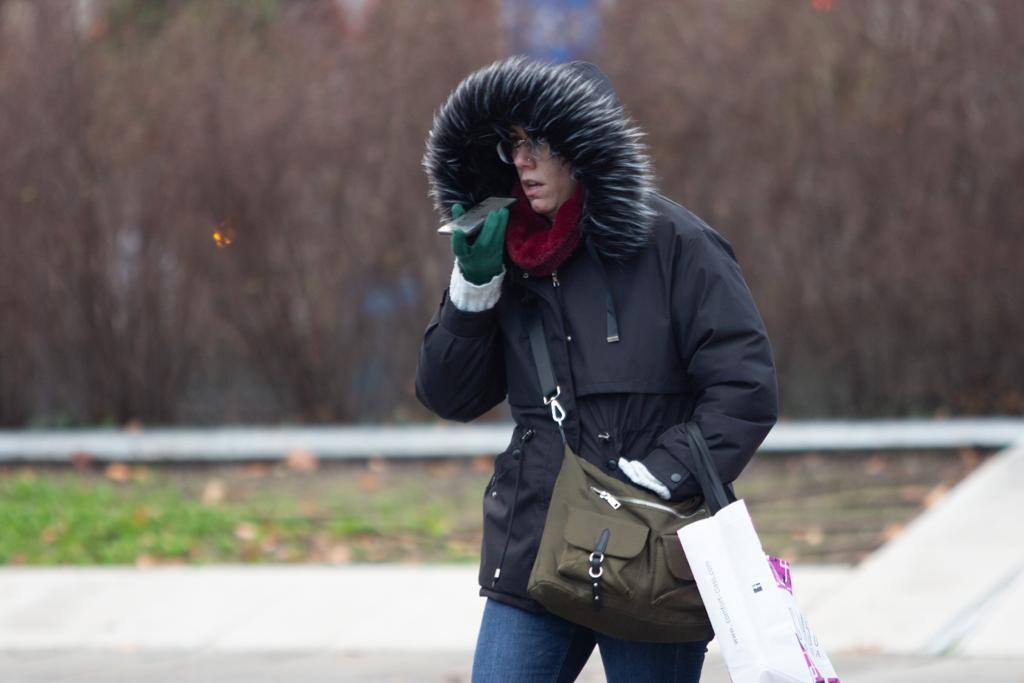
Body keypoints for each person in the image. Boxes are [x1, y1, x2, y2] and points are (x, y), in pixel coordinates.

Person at [417, 57, 778, 682]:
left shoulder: (678, 245)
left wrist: (667, 472)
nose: (522, 162)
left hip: (647, 545)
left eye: (541, 143)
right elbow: (449, 395)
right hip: (535, 544)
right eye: (514, 145)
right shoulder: (503, 251)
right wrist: (472, 290)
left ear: (585, 147)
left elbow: (744, 387)